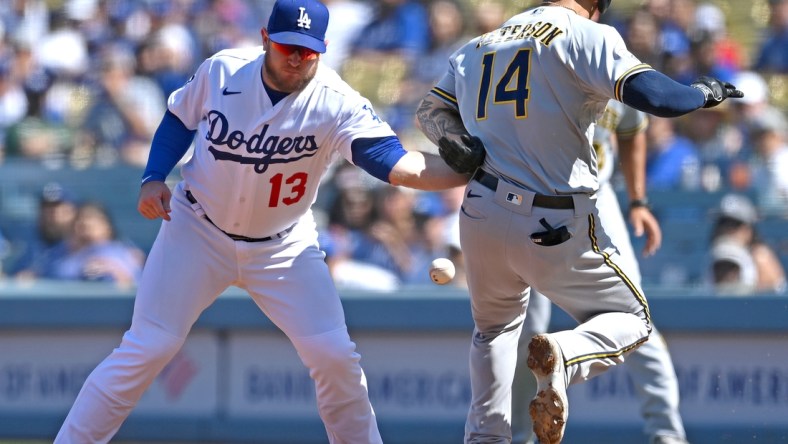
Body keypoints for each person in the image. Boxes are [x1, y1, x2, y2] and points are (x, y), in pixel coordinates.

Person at [54, 0, 469, 442]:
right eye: (288, 46)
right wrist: (154, 176)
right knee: (147, 346)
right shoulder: (223, 71)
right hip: (197, 229)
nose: (296, 58)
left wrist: (466, 168)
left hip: (282, 246)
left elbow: (394, 163)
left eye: (307, 52)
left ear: (323, 49)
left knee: (333, 355)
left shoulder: (335, 100)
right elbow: (179, 118)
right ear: (266, 39)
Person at [414, 0, 743, 443]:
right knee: (635, 320)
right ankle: (567, 355)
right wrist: (706, 92)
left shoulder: (478, 45)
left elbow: (430, 114)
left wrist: (452, 140)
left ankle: (486, 438)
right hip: (552, 219)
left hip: (481, 211)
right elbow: (659, 98)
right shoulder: (585, 35)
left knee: (493, 333)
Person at [510, 101, 689, 444]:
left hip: (596, 197)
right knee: (525, 328)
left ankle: (667, 432)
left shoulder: (618, 67)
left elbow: (631, 129)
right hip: (533, 196)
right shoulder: (546, 57)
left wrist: (638, 201)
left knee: (636, 317)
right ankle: (521, 436)